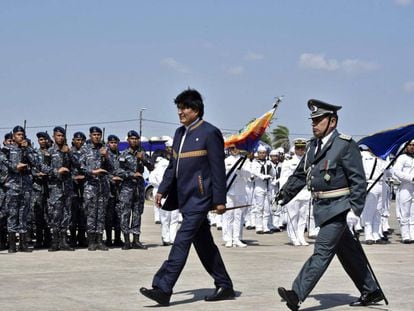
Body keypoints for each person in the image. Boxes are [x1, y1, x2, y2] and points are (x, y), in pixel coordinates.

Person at [276, 99, 385, 310]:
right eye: (313, 120)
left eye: (318, 120)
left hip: (339, 208)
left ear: (332, 122)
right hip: (322, 208)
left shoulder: (344, 145)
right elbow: (300, 175)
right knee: (348, 251)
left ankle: (296, 294)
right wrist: (283, 195)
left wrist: (355, 209)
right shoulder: (311, 147)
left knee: (322, 251)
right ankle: (371, 290)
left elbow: (358, 180)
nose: (314, 124)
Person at [140, 88, 235, 306]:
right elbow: (173, 166)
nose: (180, 112)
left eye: (184, 108)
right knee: (204, 245)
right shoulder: (179, 133)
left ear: (196, 110)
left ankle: (163, 287)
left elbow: (218, 169)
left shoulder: (210, 132)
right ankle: (225, 285)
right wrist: (162, 189)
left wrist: (219, 200)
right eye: (179, 108)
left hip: (200, 198)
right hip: (184, 198)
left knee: (181, 241)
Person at [115, 130, 153, 250]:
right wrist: (131, 174)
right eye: (132, 139)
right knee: (125, 214)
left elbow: (152, 166)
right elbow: (118, 171)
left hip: (139, 188)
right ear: (128, 140)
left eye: (136, 139)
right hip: (127, 188)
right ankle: (126, 240)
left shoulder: (142, 153)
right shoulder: (123, 154)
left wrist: (144, 160)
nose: (134, 141)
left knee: (137, 213)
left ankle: (136, 240)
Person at [80, 126, 114, 251]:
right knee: (91, 214)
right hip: (91, 186)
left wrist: (106, 157)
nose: (97, 137)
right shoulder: (85, 149)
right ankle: (91, 241)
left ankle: (100, 240)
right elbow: (81, 167)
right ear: (90, 136)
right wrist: (93, 171)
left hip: (103, 187)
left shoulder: (105, 149)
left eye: (99, 135)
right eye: (94, 135)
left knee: (101, 214)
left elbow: (111, 168)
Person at [279, 138, 311, 246]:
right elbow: (283, 178)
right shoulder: (288, 163)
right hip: (292, 193)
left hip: (305, 191)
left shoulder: (308, 162)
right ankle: (293, 237)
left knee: (303, 216)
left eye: (302, 148)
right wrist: (282, 193)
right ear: (295, 148)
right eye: (298, 148)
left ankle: (301, 236)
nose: (300, 150)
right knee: (292, 216)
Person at [222, 144, 249, 247]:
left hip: (240, 191)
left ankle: (236, 238)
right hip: (229, 191)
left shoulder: (245, 160)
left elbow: (249, 175)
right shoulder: (226, 161)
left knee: (238, 216)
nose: (234, 150)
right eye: (232, 148)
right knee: (228, 215)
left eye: (236, 148)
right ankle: (228, 239)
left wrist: (242, 172)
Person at [392, 139, 414, 244]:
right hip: (406, 186)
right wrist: (411, 178)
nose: (412, 147)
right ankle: (405, 236)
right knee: (405, 212)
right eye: (410, 145)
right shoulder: (402, 158)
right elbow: (396, 171)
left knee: (413, 213)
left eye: (413, 145)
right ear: (406, 146)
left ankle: (412, 234)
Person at [251, 145, 275, 234]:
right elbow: (253, 173)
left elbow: (273, 173)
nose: (262, 155)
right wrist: (262, 176)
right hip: (259, 187)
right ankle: (259, 227)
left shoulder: (269, 163)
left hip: (267, 187)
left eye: (264, 153)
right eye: (260, 153)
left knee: (267, 208)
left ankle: (266, 227)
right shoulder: (254, 163)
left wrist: (270, 175)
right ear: (258, 153)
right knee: (259, 207)